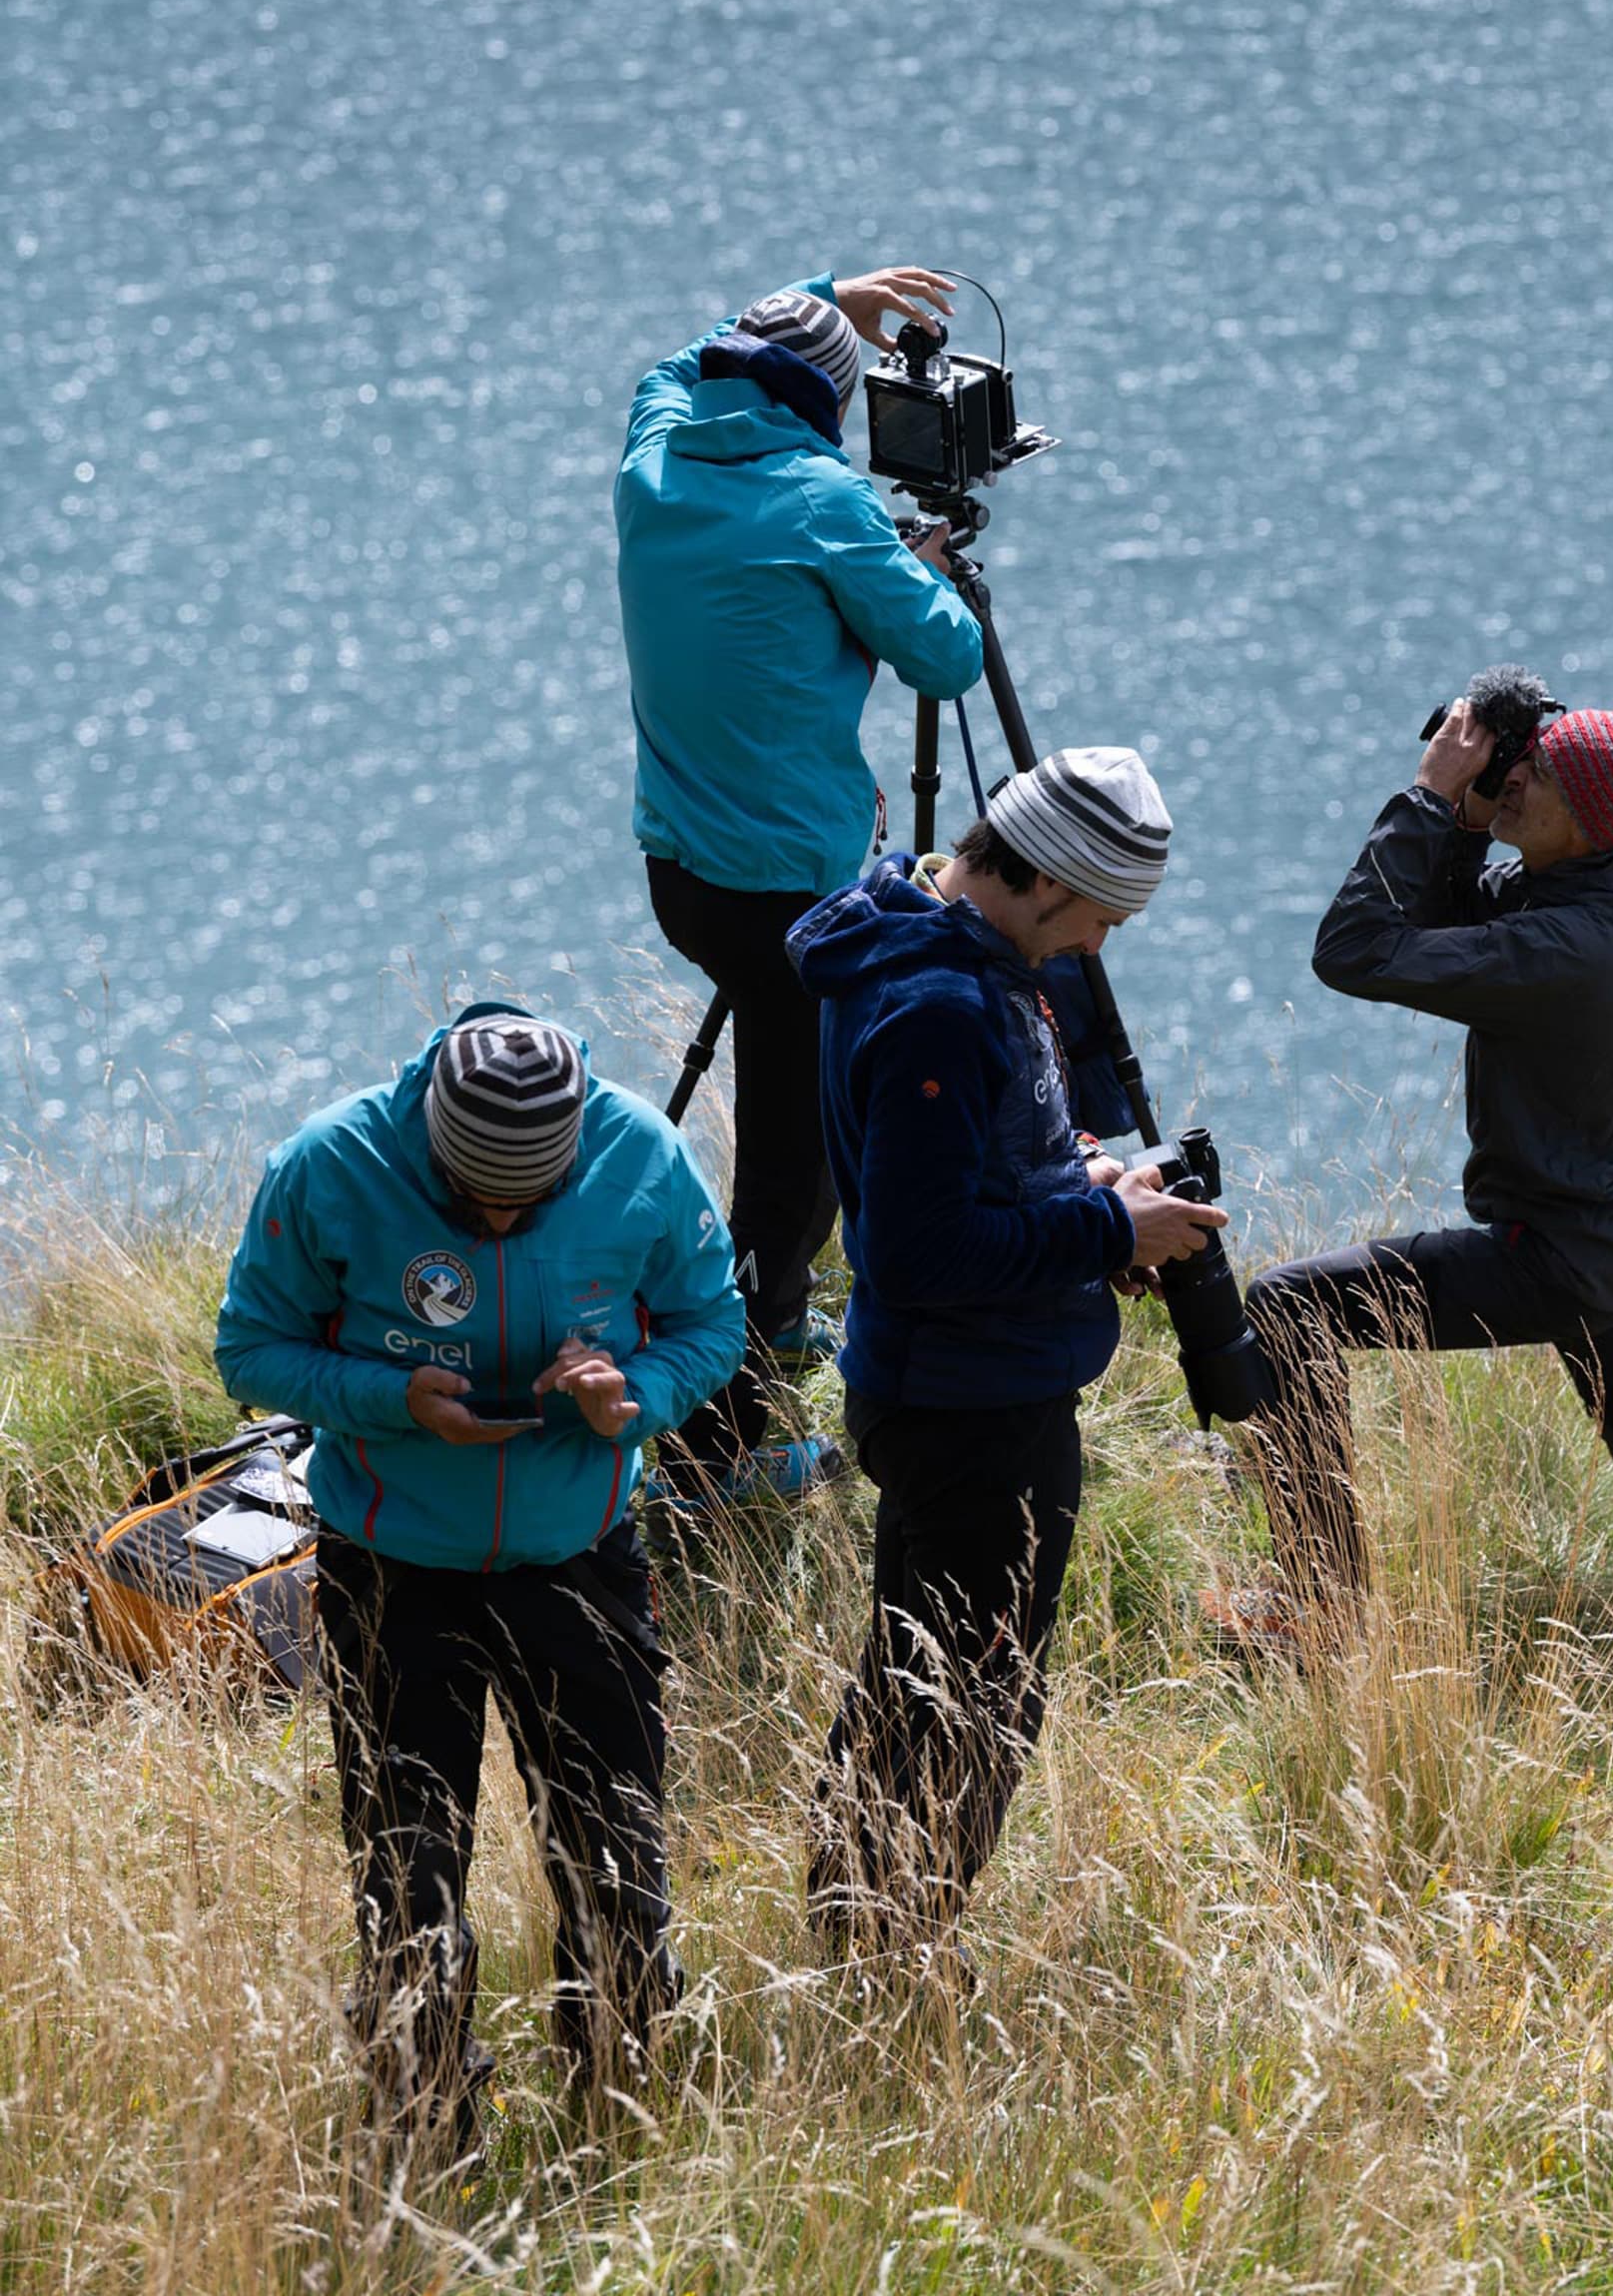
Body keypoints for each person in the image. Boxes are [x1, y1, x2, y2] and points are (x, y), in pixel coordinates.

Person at [214, 1003, 747, 2155]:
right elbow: (249, 1349)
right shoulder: (329, 1164)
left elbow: (714, 1321)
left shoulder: (640, 1153)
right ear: (431, 1147)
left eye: (530, 1204)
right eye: (472, 1202)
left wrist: (631, 1397)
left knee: (616, 1853)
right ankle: (423, 2126)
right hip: (397, 1568)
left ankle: (620, 2119)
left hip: (582, 1559)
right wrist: (387, 1400)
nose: (502, 1221)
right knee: (405, 1869)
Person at [1231, 696, 1613, 1666]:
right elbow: (1445, 917)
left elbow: (1354, 951)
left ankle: (1318, 1610)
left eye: (1538, 777)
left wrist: (1432, 793)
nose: (1515, 777)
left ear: (1586, 818)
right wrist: (1471, 824)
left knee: (1287, 1307)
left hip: (1554, 1254)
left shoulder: (1567, 945)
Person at [788, 747, 1228, 1957]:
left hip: (958, 1389)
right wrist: (1104, 1227)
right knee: (965, 1700)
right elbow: (920, 1253)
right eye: (1098, 918)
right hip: (970, 1407)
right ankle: (889, 1952)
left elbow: (979, 1168)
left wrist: (1086, 1183)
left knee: (917, 1678)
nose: (1097, 948)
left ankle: (865, 1931)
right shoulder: (939, 1004)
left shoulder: (934, 938)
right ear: (1043, 879)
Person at [616, 267, 985, 1511]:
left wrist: (824, 291)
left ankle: (754, 1335)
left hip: (685, 877)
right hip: (798, 904)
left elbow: (671, 366)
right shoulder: (825, 503)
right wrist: (912, 563)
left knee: (779, 1108)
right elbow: (947, 656)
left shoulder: (654, 458)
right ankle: (721, 1447)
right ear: (826, 408)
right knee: (790, 1169)